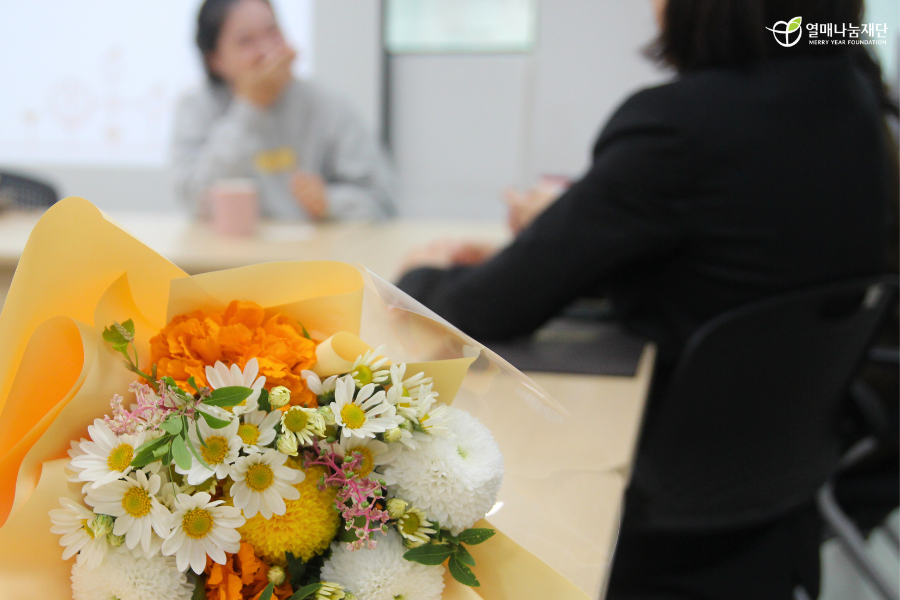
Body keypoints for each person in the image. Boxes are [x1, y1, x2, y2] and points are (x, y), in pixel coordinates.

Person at [396, 0, 893, 598]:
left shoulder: (682, 123)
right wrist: (564, 241)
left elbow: (485, 309)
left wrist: (418, 274)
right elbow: (738, 253)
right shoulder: (855, 103)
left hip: (658, 493)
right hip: (782, 476)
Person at [171, 0, 394, 221]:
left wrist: (330, 202)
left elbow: (382, 201)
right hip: (229, 244)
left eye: (273, 32)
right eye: (246, 41)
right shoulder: (196, 108)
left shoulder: (326, 104)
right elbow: (194, 199)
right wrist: (250, 108)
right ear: (215, 59)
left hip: (313, 243)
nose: (267, 50)